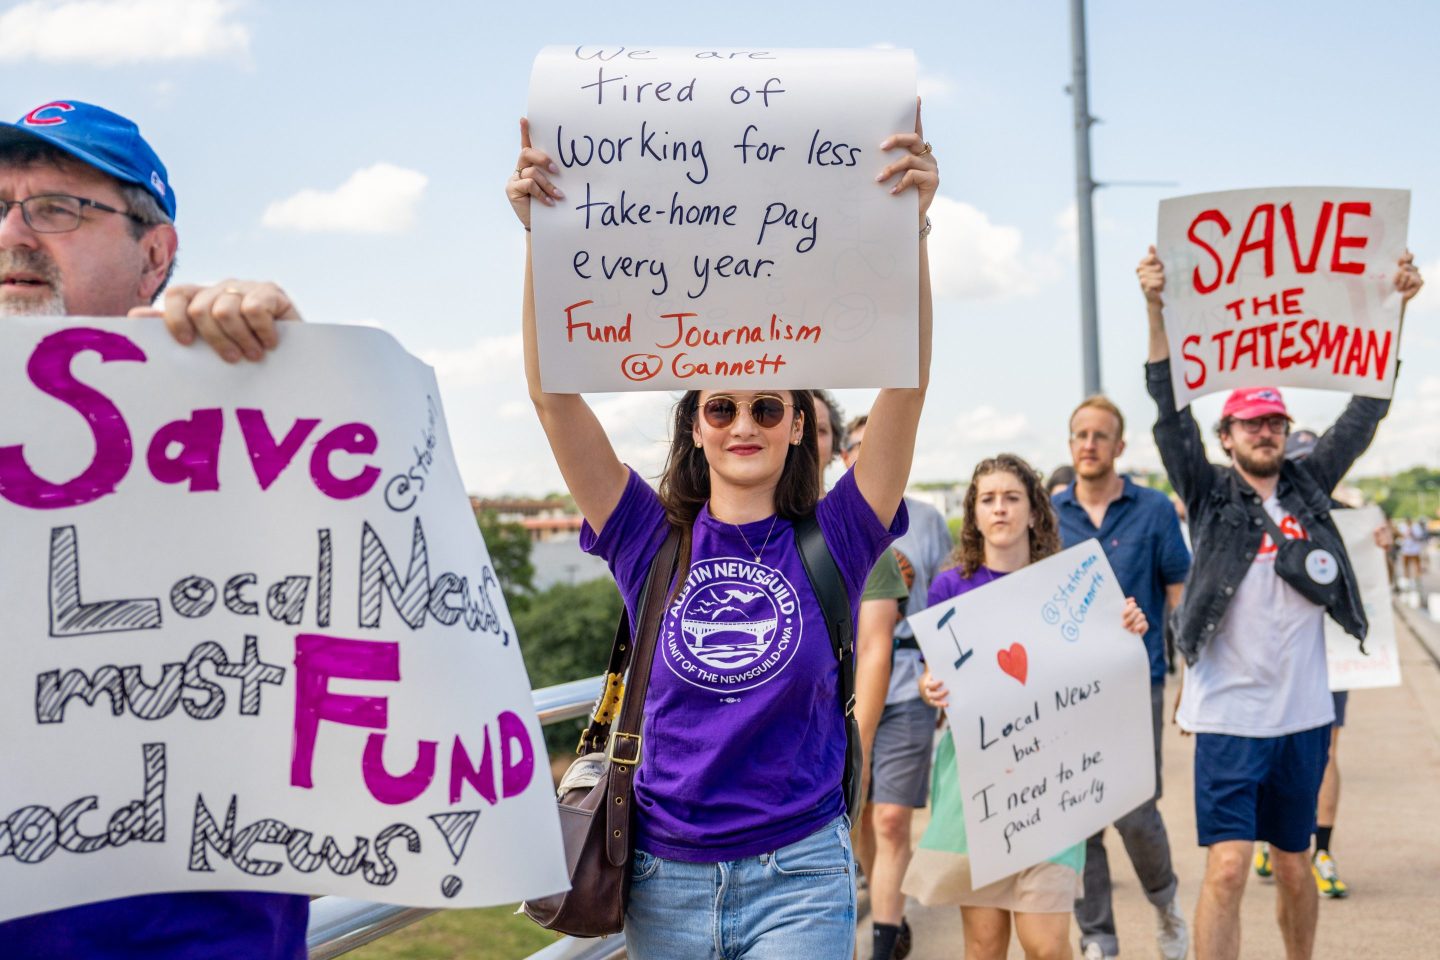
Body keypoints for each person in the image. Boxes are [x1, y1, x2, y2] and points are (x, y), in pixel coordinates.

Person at [507, 111, 938, 957]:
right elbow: (554, 397)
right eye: (722, 406)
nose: (745, 421)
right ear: (696, 428)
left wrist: (912, 227)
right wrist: (539, 239)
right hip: (664, 880)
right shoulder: (644, 535)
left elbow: (908, 383)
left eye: (768, 407)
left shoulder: (840, 537)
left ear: (795, 427)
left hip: (800, 878)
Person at [0, 101, 305, 957]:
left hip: (196, 935)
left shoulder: (236, 418)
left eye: (55, 208)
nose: (13, 231)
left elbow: (354, 587)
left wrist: (292, 368)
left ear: (154, 256)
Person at [1136, 245, 1423, 960]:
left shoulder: (1311, 482)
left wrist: (1396, 309)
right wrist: (1155, 308)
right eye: (1250, 423)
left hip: (1302, 715)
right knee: (1228, 868)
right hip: (1229, 715)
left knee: (1294, 865)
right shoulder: (1207, 493)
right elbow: (1170, 411)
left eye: (1275, 421)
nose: (1265, 431)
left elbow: (1367, 410)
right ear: (1227, 437)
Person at [904, 453, 1150, 960]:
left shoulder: (1070, 585)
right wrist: (931, 687)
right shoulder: (950, 588)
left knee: (1045, 947)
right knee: (985, 946)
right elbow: (943, 679)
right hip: (978, 788)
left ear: (1034, 511)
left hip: (1051, 786)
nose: (1000, 509)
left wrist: (1125, 631)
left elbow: (1102, 674)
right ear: (973, 513)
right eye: (987, 500)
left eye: (1012, 498)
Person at [1053, 395, 1190, 960]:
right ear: (1070, 445)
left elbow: (1179, 593)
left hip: (1139, 681)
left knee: (1135, 810)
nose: (1089, 444)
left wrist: (1190, 679)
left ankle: (1164, 904)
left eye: (1100, 436)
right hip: (1065, 688)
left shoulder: (1154, 509)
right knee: (1079, 812)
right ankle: (1098, 938)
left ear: (1118, 446)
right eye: (1080, 435)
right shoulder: (1050, 509)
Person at [844, 412, 954, 960]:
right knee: (861, 814)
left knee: (890, 817)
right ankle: (880, 893)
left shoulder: (928, 522)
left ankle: (883, 940)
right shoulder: (828, 523)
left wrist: (948, 673)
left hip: (910, 685)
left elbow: (949, 598)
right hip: (847, 691)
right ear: (844, 459)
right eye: (860, 447)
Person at [812, 391, 910, 823]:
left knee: (882, 825)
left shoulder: (850, 530)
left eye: (819, 429)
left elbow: (872, 650)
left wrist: (858, 750)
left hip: (832, 749)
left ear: (835, 446)